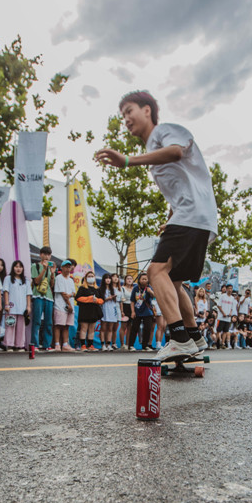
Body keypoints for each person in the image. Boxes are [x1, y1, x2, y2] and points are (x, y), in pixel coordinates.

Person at [95, 90, 217, 361]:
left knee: (155, 271)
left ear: (147, 110)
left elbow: (175, 152)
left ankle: (179, 339)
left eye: (129, 111)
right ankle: (194, 337)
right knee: (172, 281)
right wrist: (170, 217)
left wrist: (127, 161)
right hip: (193, 216)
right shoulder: (154, 150)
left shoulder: (164, 132)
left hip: (192, 214)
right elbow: (179, 187)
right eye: (122, 115)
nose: (126, 119)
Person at [1, 260, 32, 351]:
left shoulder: (26, 280)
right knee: (10, 325)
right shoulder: (8, 278)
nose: (18, 269)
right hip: (11, 307)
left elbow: (28, 294)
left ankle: (20, 345)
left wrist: (28, 306)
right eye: (16, 266)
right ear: (13, 268)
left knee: (21, 327)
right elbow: (6, 291)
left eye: (20, 267)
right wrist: (6, 304)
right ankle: (9, 344)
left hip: (22, 308)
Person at [31, 246, 56, 352]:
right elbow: (36, 281)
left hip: (49, 296)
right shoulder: (35, 265)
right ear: (40, 255)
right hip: (38, 295)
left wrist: (52, 273)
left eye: (48, 255)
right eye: (44, 254)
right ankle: (35, 344)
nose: (46, 256)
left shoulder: (51, 268)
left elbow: (52, 285)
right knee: (37, 320)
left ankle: (47, 344)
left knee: (48, 322)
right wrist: (44, 269)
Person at [76, 270, 103, 351]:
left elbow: (102, 300)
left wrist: (96, 300)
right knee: (84, 328)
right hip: (84, 311)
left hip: (94, 311)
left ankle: (90, 345)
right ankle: (83, 345)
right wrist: (89, 299)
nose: (91, 278)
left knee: (92, 329)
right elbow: (78, 298)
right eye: (89, 276)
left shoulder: (97, 289)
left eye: (92, 276)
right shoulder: (82, 288)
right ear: (85, 278)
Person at [128, 272, 155, 352]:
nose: (144, 280)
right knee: (134, 328)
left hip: (147, 311)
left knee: (148, 329)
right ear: (139, 280)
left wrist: (150, 292)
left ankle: (145, 346)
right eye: (142, 279)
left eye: (146, 279)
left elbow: (155, 296)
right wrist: (133, 312)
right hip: (137, 311)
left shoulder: (150, 287)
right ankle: (131, 345)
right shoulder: (135, 288)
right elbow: (132, 301)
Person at [53, 259, 76, 352]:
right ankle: (57, 344)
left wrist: (70, 296)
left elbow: (73, 293)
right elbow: (63, 294)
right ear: (62, 267)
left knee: (67, 326)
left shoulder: (71, 280)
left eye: (69, 267)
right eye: (66, 266)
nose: (67, 268)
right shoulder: (59, 278)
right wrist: (69, 305)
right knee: (58, 325)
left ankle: (65, 344)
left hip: (70, 306)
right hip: (60, 305)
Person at [98, 272, 118, 351]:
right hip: (104, 309)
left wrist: (114, 297)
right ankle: (103, 344)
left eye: (109, 278)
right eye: (106, 278)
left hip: (112, 309)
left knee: (110, 328)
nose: (108, 280)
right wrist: (107, 299)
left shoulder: (114, 289)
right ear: (103, 280)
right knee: (103, 328)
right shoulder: (100, 289)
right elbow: (100, 301)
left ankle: (108, 344)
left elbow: (117, 300)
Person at [216, 283, 238, 348]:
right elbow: (219, 305)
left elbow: (232, 308)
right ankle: (217, 342)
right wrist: (223, 313)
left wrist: (230, 313)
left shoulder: (232, 298)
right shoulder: (223, 296)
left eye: (231, 288)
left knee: (225, 331)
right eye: (229, 288)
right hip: (221, 317)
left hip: (228, 318)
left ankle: (223, 343)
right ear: (226, 289)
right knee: (219, 330)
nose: (230, 290)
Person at [118, 274, 134, 350]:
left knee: (130, 327)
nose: (129, 280)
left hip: (132, 308)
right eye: (128, 278)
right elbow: (121, 301)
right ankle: (122, 344)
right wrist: (122, 311)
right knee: (123, 326)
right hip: (125, 307)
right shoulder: (122, 288)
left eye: (131, 278)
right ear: (125, 280)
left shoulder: (134, 289)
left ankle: (128, 344)